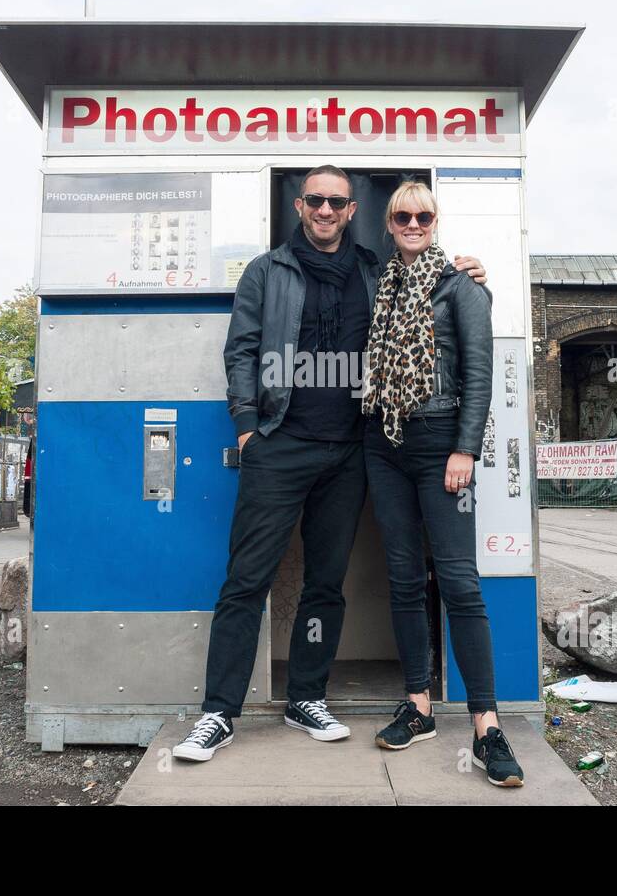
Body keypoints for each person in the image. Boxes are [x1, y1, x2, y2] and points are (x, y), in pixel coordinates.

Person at [173, 165, 485, 762]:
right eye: (315, 199)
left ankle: (306, 697)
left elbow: (431, 299)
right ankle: (218, 713)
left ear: (351, 211)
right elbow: (240, 349)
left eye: (336, 202)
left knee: (325, 582)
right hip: (279, 444)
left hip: (350, 451)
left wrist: (469, 277)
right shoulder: (268, 271)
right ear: (298, 206)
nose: (325, 210)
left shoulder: (375, 270)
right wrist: (246, 428)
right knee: (247, 581)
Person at [359, 180, 524, 788]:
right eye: (402, 214)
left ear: (435, 219)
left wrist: (465, 449)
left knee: (459, 581)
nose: (413, 222)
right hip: (382, 441)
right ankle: (419, 707)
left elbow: (478, 374)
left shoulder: (462, 287)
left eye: (422, 214)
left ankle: (486, 725)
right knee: (403, 578)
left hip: (438, 442)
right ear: (388, 222)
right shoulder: (378, 284)